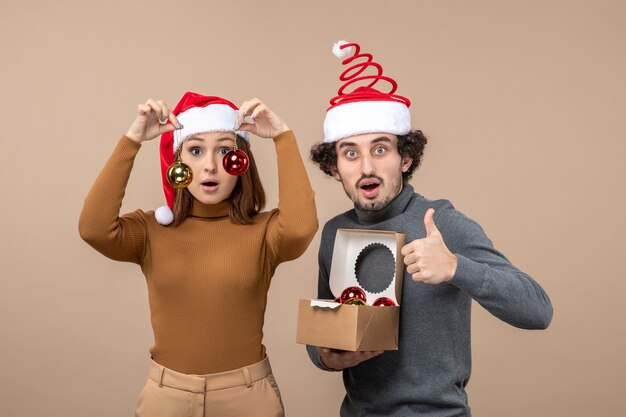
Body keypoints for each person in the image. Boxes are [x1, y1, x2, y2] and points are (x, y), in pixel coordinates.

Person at [306, 41, 553, 417]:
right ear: (333, 167)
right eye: (350, 153)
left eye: (380, 149)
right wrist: (327, 357)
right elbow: (324, 333)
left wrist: (456, 267)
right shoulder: (335, 232)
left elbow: (538, 310)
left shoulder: (441, 222)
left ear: (406, 158)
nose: (366, 167)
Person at [79, 92, 318, 417]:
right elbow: (93, 228)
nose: (210, 165)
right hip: (166, 397)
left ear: (241, 163)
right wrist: (133, 138)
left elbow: (302, 227)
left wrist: (282, 136)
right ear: (178, 163)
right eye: (195, 150)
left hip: (247, 398)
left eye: (224, 150)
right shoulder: (151, 230)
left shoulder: (264, 232)